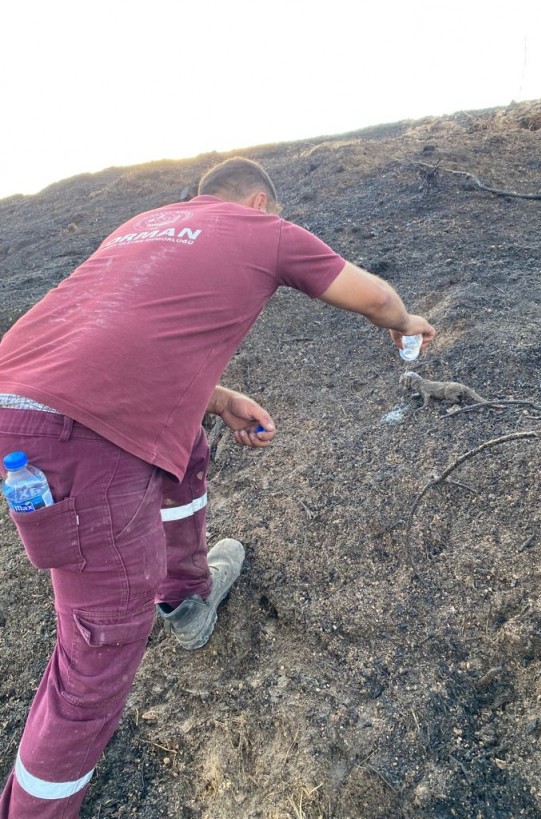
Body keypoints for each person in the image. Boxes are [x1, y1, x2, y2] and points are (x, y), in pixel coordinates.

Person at [0, 157, 435, 817]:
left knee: (188, 448)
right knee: (95, 657)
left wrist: (219, 396)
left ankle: (187, 599)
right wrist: (406, 322)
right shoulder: (263, 229)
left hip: (22, 415)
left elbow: (116, 338)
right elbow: (372, 296)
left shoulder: (145, 224)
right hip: (76, 439)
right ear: (260, 203)